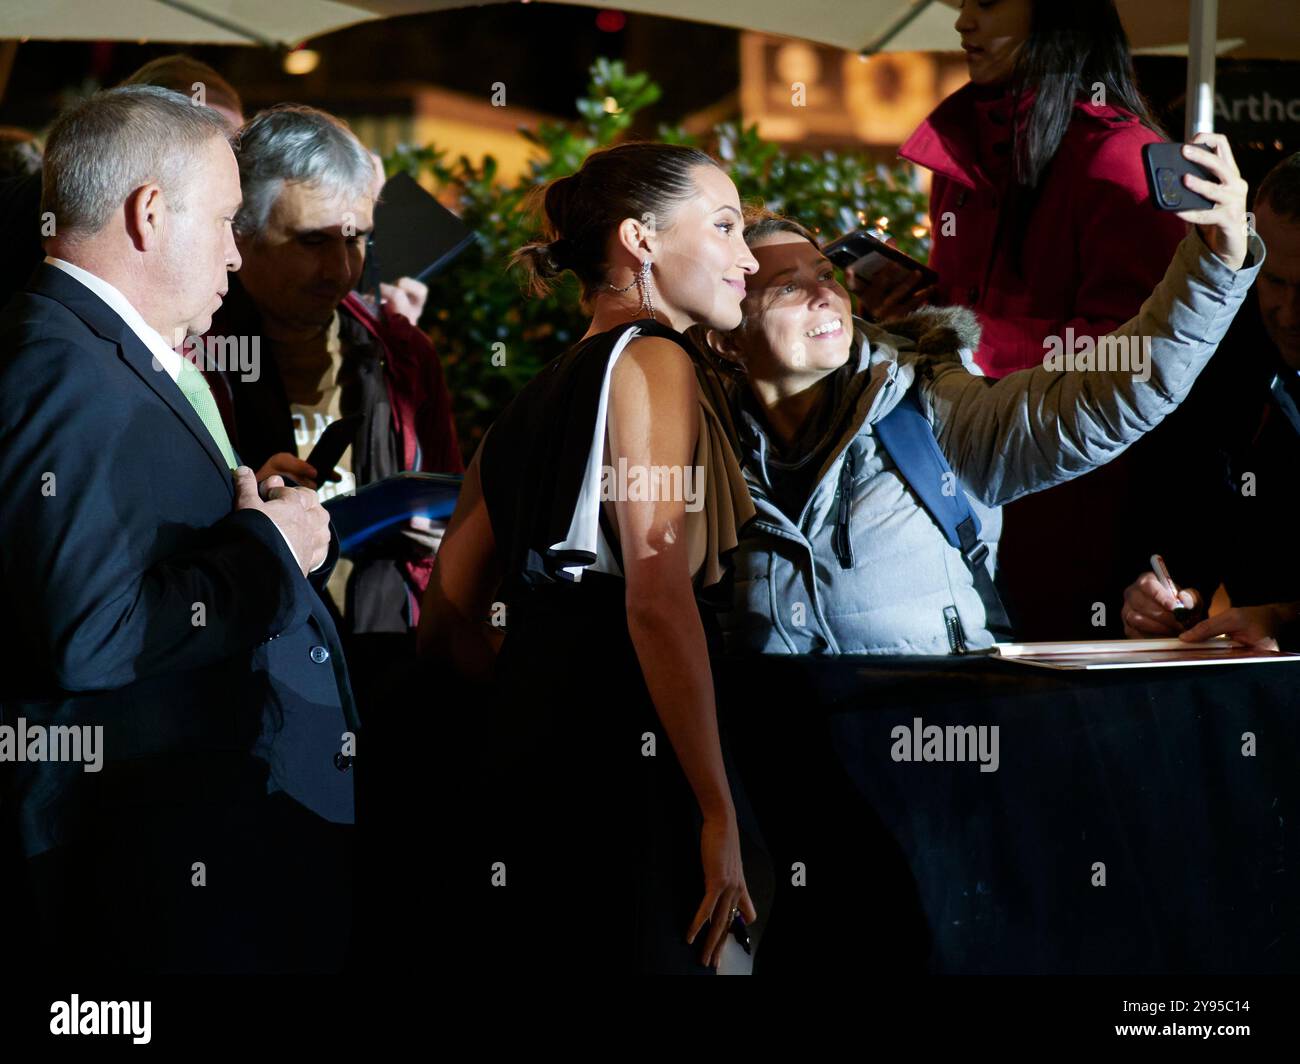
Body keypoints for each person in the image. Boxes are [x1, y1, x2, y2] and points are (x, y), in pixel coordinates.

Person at [0, 86, 356, 973]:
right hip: (132, 856)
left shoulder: (87, 346)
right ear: (150, 214)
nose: (237, 256)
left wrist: (247, 523)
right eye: (229, 221)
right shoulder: (60, 365)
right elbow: (92, 635)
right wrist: (273, 549)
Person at [697, 130, 1257, 657]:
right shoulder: (700, 447)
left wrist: (1216, 261)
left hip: (940, 743)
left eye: (826, 274)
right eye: (787, 286)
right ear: (726, 339)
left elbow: (1103, 399)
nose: (824, 295)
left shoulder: (929, 408)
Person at [417, 141, 763, 973]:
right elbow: (656, 591)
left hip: (530, 761)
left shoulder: (529, 401)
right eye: (723, 227)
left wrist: (546, 685)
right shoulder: (653, 359)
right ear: (640, 239)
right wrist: (717, 809)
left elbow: (445, 625)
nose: (747, 259)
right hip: (641, 759)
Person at [862, 0, 1188, 641]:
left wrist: (960, 333)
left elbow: (1140, 355)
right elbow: (971, 308)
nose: (962, 22)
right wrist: (915, 311)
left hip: (1076, 507)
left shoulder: (1128, 159)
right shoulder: (969, 150)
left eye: (986, 2)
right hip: (955, 486)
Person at [206, 104, 462, 637]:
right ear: (242, 234)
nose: (342, 268)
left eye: (358, 238)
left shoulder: (403, 353)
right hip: (250, 651)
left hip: (386, 652)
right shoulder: (189, 354)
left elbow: (449, 501)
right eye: (313, 241)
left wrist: (446, 539)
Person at [1121, 153, 1300, 651]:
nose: (1287, 313)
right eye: (1274, 282)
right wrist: (1168, 595)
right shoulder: (1217, 357)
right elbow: (1185, 517)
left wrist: (1284, 619)